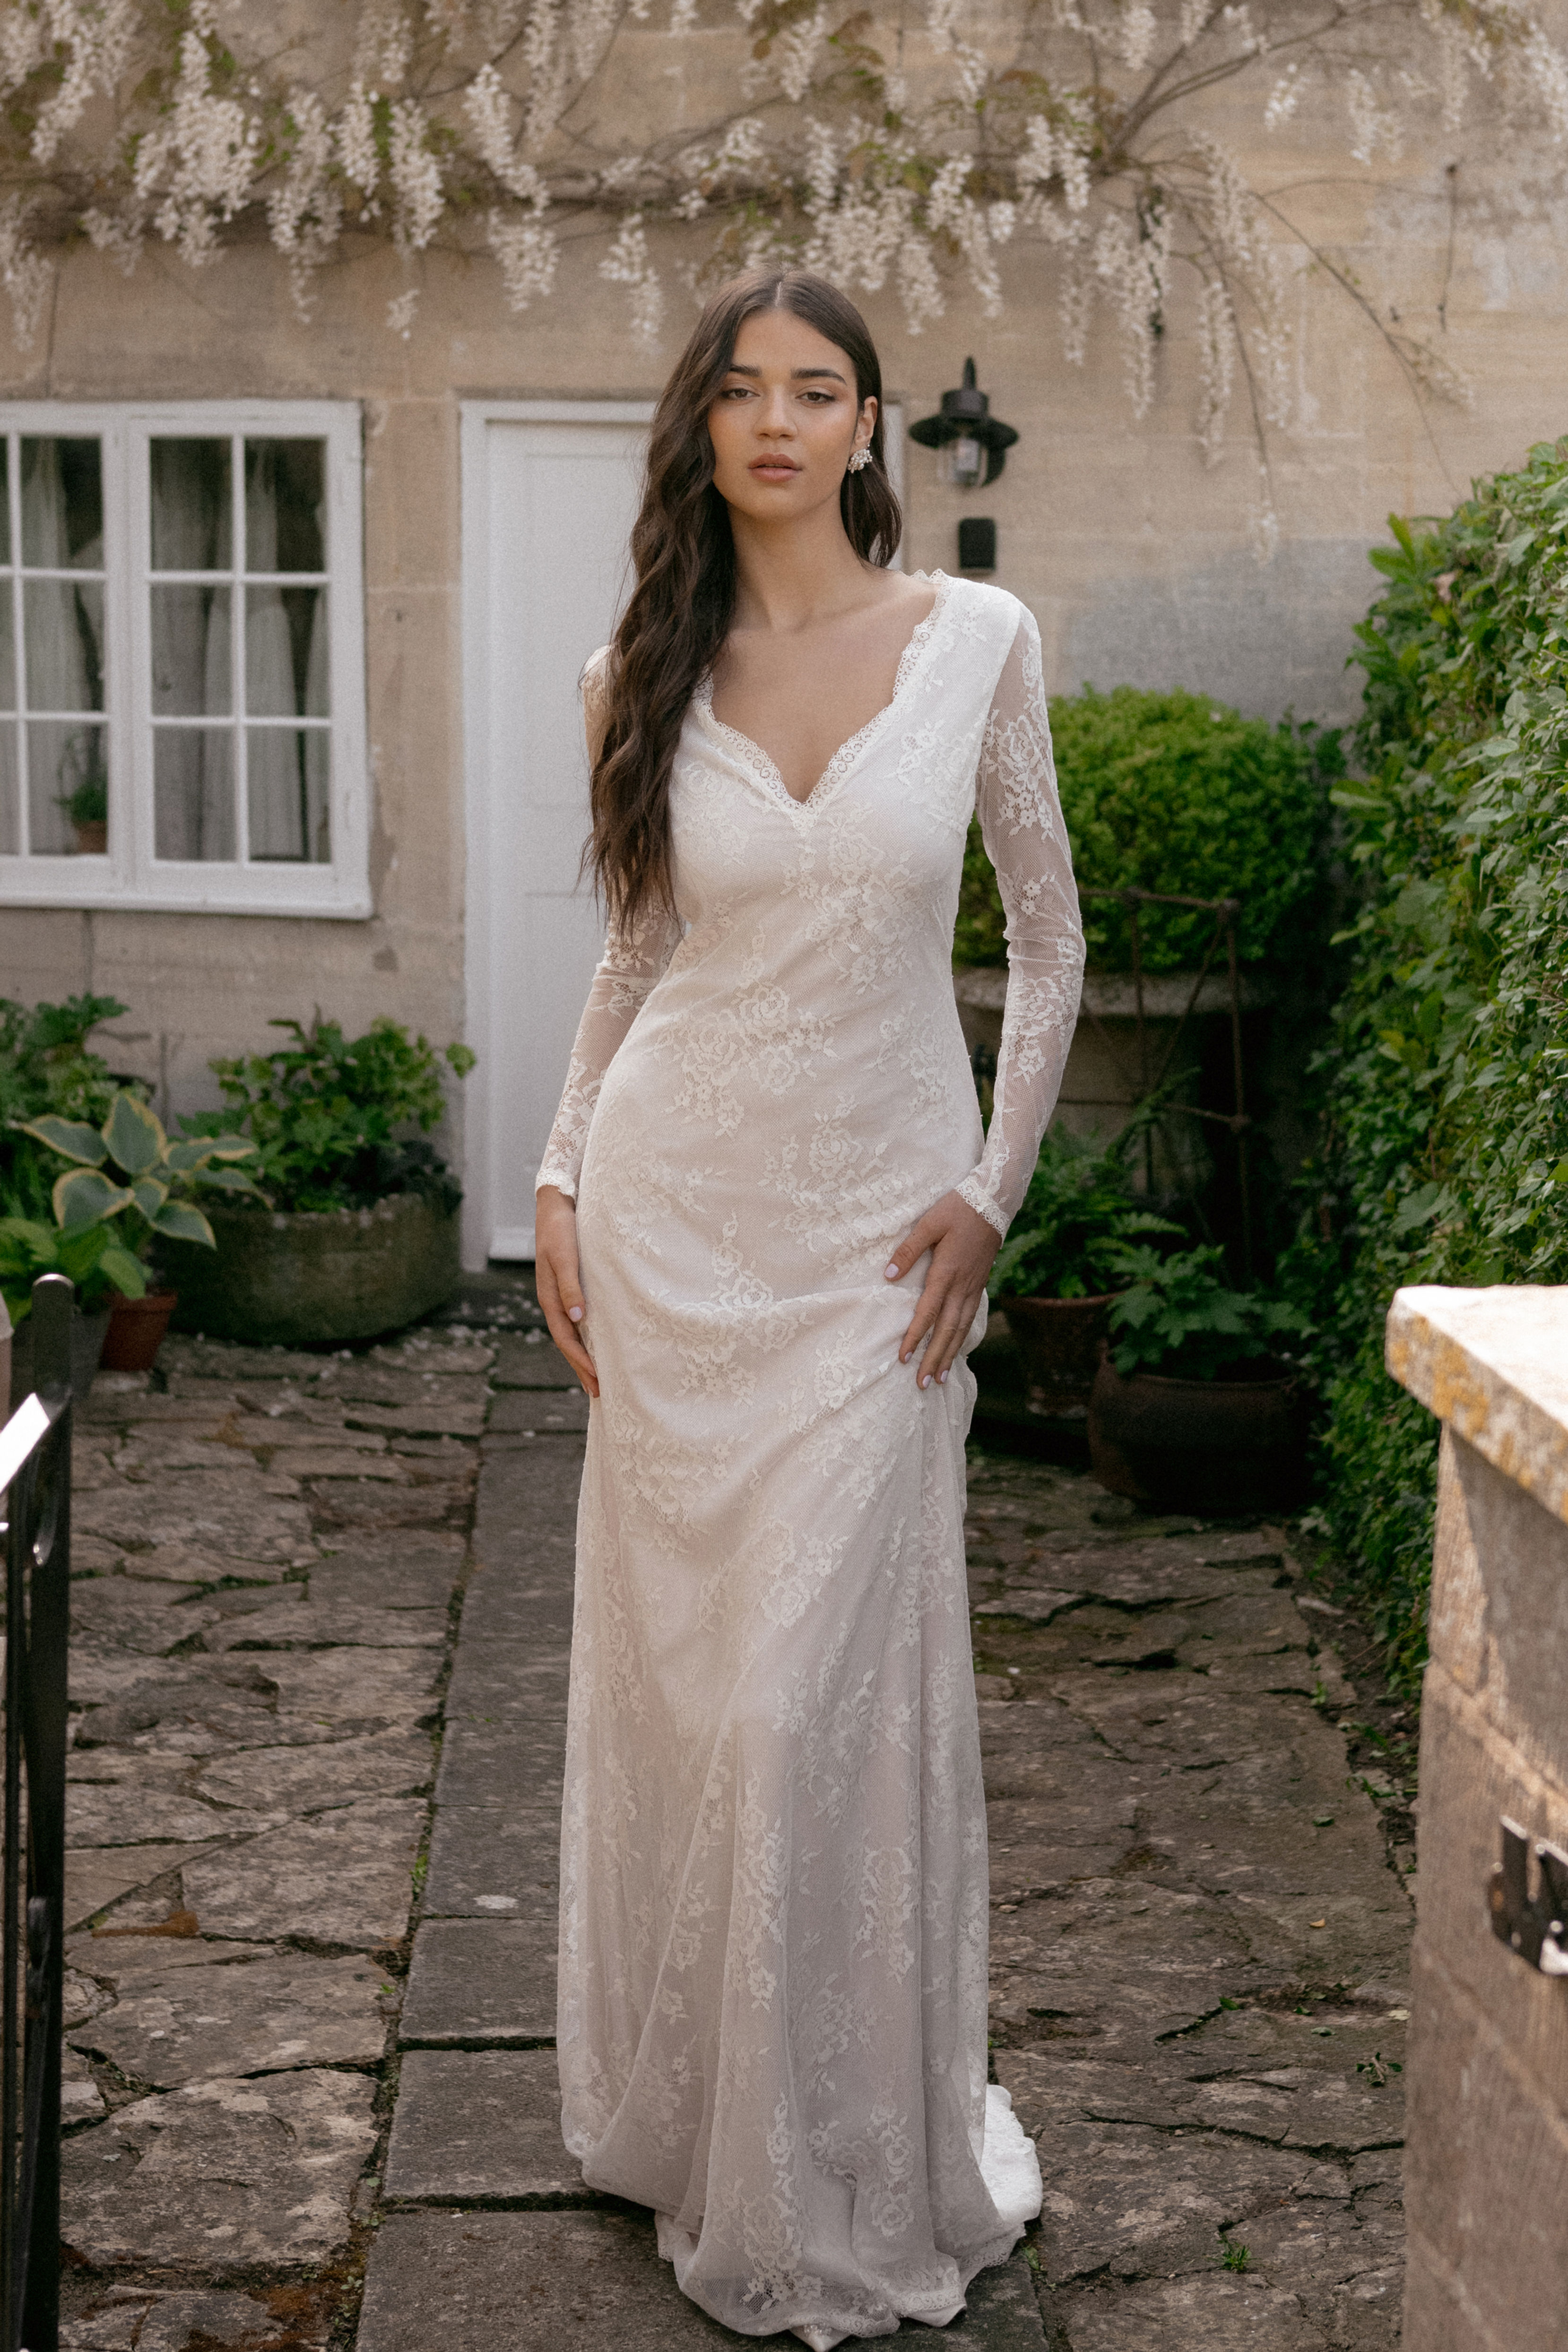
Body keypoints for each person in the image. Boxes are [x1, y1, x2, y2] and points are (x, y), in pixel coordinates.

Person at [533, 267, 1085, 2348]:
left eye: (818, 389)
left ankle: (843, 2150)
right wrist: (564, 1169)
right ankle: (703, 2126)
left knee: (804, 1701)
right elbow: (632, 959)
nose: (778, 420)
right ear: (702, 425)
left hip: (874, 1246)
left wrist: (986, 1192)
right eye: (742, 390)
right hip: (678, 1229)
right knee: (701, 1697)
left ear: (867, 426)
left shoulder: (974, 642)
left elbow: (1042, 944)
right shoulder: (635, 668)